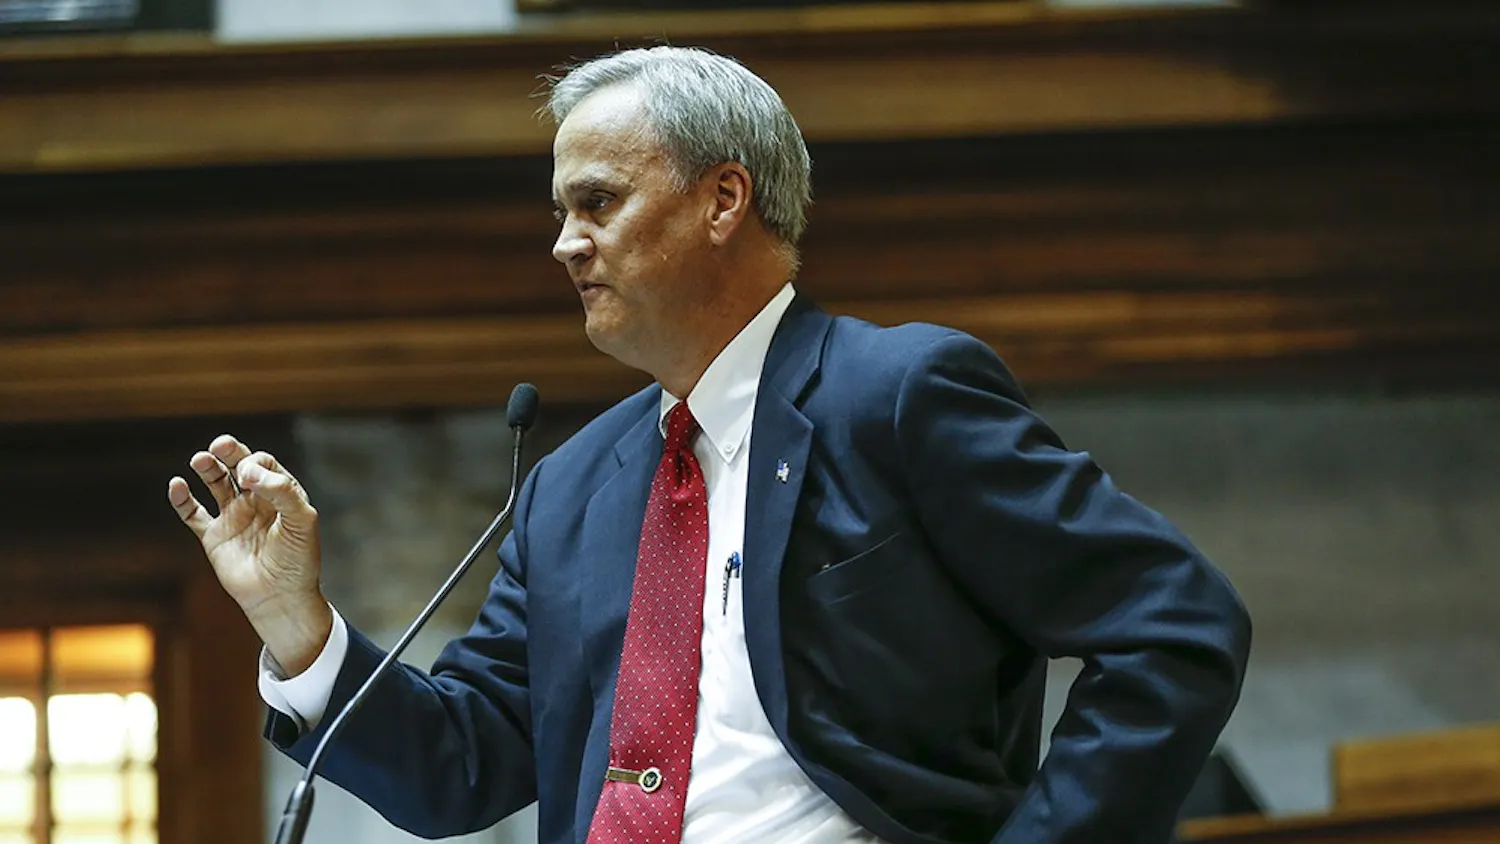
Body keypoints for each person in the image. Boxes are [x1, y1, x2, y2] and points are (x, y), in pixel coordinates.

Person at [166, 46, 1251, 844]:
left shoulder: (898, 393)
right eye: (557, 210)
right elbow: (460, 764)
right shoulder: (569, 487)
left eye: (596, 200)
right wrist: (293, 622)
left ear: (723, 197)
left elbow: (1175, 626)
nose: (562, 242)